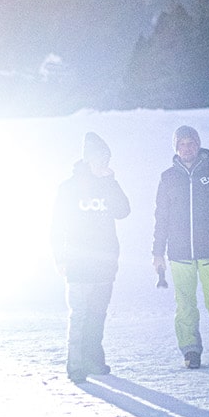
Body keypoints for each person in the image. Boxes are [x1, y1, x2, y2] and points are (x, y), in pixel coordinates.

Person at [152, 125, 209, 368]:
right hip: (179, 254)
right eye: (181, 144)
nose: (186, 148)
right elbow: (161, 218)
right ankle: (191, 351)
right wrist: (158, 251)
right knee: (185, 306)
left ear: (198, 145)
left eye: (190, 143)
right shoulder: (168, 177)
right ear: (176, 148)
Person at [52, 131, 130, 383]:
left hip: (105, 264)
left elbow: (123, 211)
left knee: (98, 316)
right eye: (98, 158)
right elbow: (57, 226)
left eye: (106, 159)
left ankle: (94, 361)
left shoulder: (108, 185)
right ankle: (75, 366)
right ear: (87, 159)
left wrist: (112, 183)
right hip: (78, 264)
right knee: (79, 316)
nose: (102, 163)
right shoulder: (68, 188)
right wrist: (59, 258)